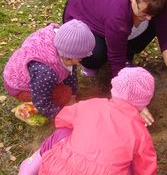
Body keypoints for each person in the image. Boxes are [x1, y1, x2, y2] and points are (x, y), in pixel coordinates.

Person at [63, 0, 167, 100]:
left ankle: (128, 54)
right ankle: (89, 64)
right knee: (97, 56)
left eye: (151, 14)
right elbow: (116, 57)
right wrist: (123, 93)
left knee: (155, 23)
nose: (148, 18)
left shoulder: (158, 1)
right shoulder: (117, 14)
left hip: (107, 11)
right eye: (143, 12)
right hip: (83, 13)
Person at [18, 67, 157, 175]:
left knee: (62, 133)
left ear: (114, 89)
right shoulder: (141, 133)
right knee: (131, 166)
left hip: (56, 169)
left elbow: (62, 118)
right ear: (145, 103)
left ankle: (30, 167)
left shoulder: (92, 104)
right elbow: (147, 169)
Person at [3, 19, 95, 118]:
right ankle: (28, 106)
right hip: (17, 86)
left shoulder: (63, 42)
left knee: (68, 91)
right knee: (64, 94)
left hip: (32, 73)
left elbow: (71, 71)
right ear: (69, 57)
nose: (82, 60)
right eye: (81, 58)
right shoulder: (46, 72)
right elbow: (41, 101)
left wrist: (73, 94)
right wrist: (61, 114)